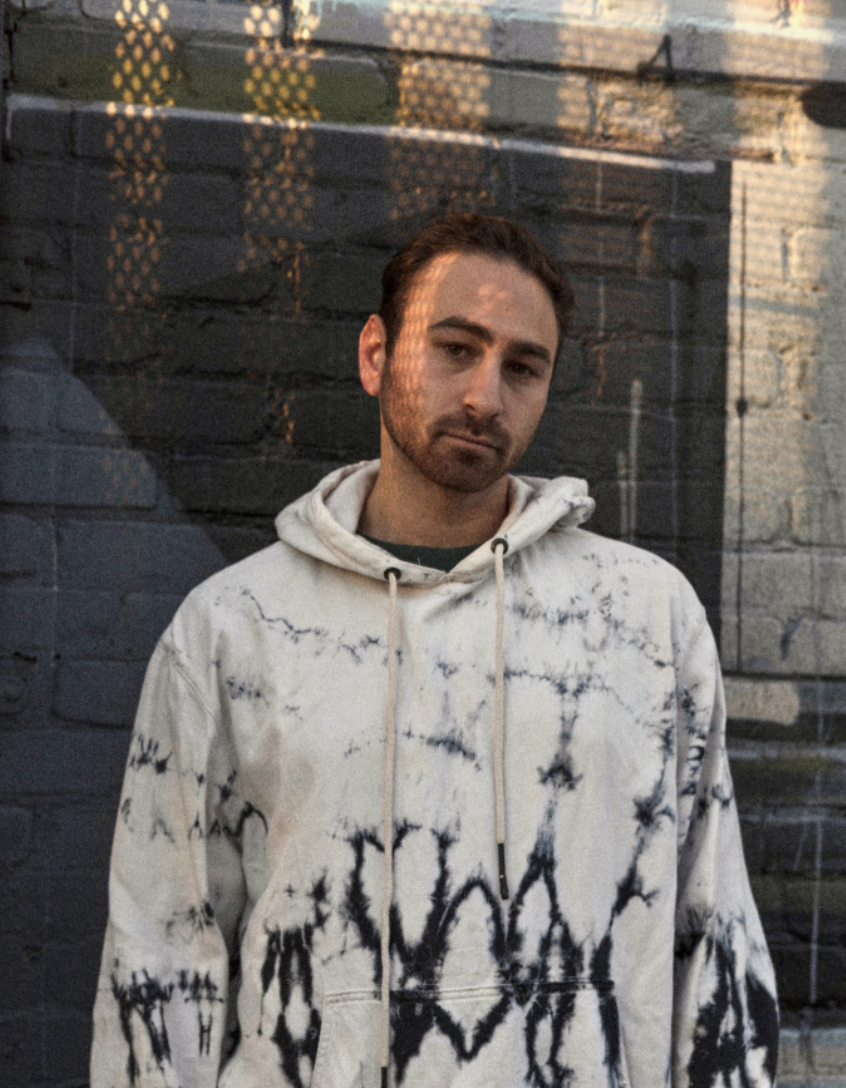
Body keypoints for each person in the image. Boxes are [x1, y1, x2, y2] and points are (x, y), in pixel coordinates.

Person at [91, 214, 779, 1088]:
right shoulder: (234, 629)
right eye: (455, 349)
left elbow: (714, 936)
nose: (486, 396)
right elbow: (160, 959)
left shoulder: (646, 616)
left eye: (522, 367)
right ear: (375, 356)